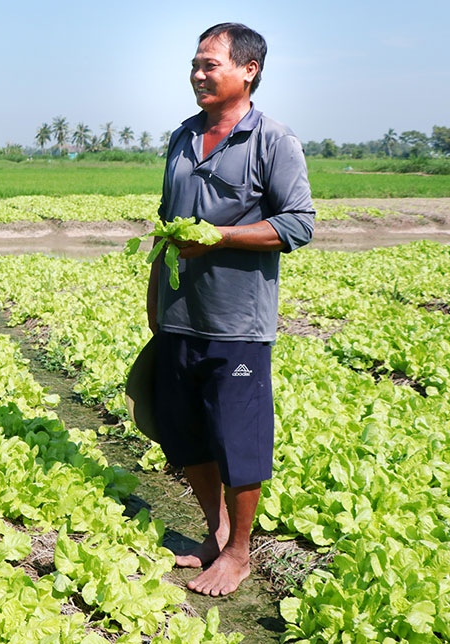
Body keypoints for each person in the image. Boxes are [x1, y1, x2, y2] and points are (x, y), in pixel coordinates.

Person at [147, 23, 314, 597]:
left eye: (209, 65)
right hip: (178, 316)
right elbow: (167, 226)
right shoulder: (182, 136)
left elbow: (298, 224)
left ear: (249, 71)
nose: (197, 74)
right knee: (185, 431)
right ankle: (215, 533)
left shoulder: (273, 139)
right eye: (194, 64)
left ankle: (240, 554)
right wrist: (154, 301)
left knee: (238, 438)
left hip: (237, 323)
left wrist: (220, 237)